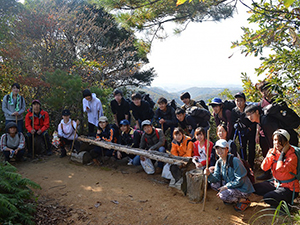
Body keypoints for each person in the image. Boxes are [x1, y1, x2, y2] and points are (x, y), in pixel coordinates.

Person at [204, 139, 255, 212]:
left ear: (227, 149)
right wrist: (209, 175)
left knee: (223, 195)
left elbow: (240, 180)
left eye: (222, 148)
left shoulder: (235, 161)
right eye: (217, 148)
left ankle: (243, 200)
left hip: (243, 188)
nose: (219, 150)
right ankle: (232, 198)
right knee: (214, 185)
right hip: (232, 185)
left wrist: (226, 187)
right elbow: (216, 177)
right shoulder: (219, 162)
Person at [253, 129, 299, 208]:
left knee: (267, 198)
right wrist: (272, 153)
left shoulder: (292, 156)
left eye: (279, 140)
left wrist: (282, 154)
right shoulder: (273, 152)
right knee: (255, 188)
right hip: (276, 183)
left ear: (286, 142)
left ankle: (287, 207)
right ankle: (278, 196)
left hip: (290, 188)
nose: (276, 143)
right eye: (274, 140)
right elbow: (264, 167)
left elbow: (279, 169)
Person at [255, 81, 274, 180]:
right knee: (266, 153)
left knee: (276, 153)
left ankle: (276, 174)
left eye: (266, 89)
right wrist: (257, 134)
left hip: (275, 134)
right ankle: (267, 173)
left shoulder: (276, 101)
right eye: (262, 91)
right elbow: (258, 120)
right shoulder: (261, 104)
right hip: (263, 134)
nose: (265, 92)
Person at [231, 92, 256, 168]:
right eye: (237, 100)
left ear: (245, 101)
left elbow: (254, 121)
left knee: (251, 148)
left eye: (241, 100)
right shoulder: (234, 111)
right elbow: (233, 121)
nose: (239, 102)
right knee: (242, 147)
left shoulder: (249, 109)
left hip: (251, 131)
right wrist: (235, 125)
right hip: (241, 132)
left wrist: (250, 128)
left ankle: (251, 164)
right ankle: (244, 163)